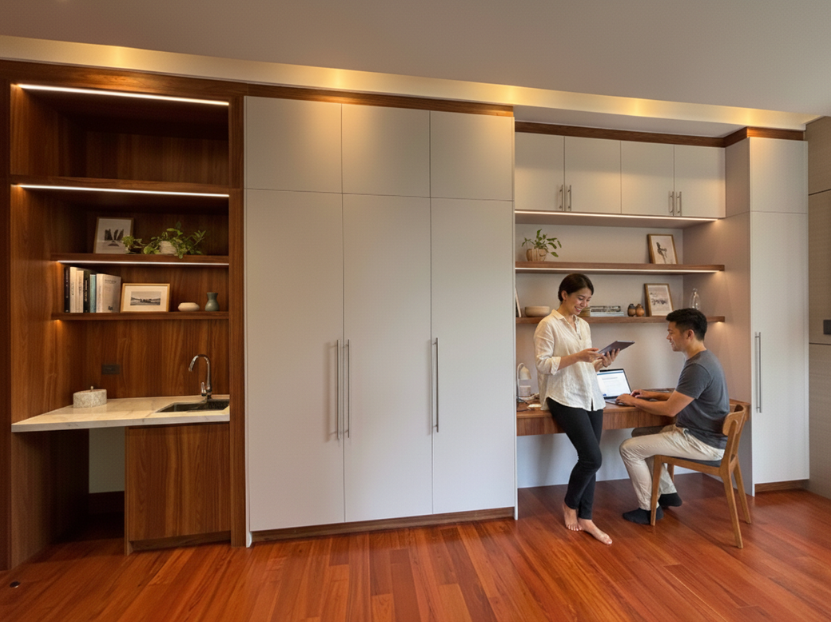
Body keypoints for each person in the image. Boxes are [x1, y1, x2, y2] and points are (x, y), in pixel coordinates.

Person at [616, 308, 729, 524]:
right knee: (640, 433)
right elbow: (684, 397)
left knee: (628, 448)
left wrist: (633, 401)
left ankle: (648, 509)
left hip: (700, 442)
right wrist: (652, 394)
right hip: (702, 436)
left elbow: (670, 410)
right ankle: (667, 493)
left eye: (671, 332)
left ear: (689, 334)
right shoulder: (704, 359)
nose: (668, 337)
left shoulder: (698, 367)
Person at [534, 273, 618, 545]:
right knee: (593, 458)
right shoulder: (548, 325)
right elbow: (543, 364)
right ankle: (570, 504)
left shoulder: (583, 325)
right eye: (580, 297)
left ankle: (587, 517)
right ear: (564, 294)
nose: (584, 303)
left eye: (588, 299)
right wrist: (578, 356)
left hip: (591, 394)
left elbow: (585, 366)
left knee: (589, 459)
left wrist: (601, 363)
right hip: (563, 396)